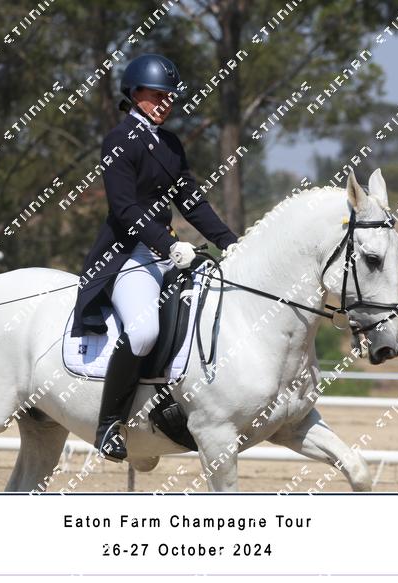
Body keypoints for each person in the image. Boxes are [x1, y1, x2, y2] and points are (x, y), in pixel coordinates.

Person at [70, 53, 239, 462]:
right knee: (144, 332)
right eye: (157, 95)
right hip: (130, 255)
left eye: (170, 97)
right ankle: (109, 425)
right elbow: (125, 210)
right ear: (135, 93)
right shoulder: (119, 140)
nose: (166, 103)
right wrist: (168, 245)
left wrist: (232, 243)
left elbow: (192, 202)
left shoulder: (171, 144)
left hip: (169, 251)